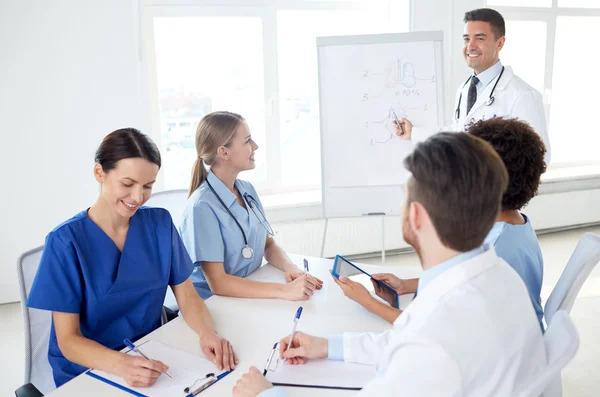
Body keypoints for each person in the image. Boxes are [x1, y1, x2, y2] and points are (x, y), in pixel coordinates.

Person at [232, 132, 546, 397]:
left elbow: (420, 343)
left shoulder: (435, 339)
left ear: (416, 215)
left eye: (403, 197)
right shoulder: (498, 274)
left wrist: (265, 394)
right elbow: (404, 337)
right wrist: (328, 346)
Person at [26, 128, 237, 388]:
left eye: (147, 186)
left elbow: (187, 295)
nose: (138, 197)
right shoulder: (65, 242)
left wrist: (207, 333)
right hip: (88, 372)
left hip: (151, 355)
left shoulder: (159, 224)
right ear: (99, 173)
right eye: (127, 184)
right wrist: (120, 364)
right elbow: (68, 340)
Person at [337, 117, 547, 331]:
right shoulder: (515, 224)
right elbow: (459, 280)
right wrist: (404, 286)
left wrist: (367, 302)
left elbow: (428, 328)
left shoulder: (494, 249)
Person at [179, 111, 322, 300]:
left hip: (249, 292)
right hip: (215, 304)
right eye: (247, 141)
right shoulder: (201, 207)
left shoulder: (247, 190)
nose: (255, 146)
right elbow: (218, 283)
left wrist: (292, 269)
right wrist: (284, 291)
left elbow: (267, 244)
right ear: (224, 152)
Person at [394, 8, 551, 164]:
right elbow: (458, 134)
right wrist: (414, 133)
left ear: (500, 43)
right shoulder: (464, 88)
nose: (470, 46)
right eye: (466, 39)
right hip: (467, 186)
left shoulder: (522, 95)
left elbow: (540, 155)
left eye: (480, 38)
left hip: (499, 188)